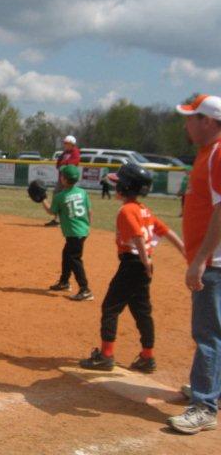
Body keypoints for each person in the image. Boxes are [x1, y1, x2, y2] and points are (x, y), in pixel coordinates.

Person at [79, 164, 185, 373]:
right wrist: (183, 249)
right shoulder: (144, 209)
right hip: (143, 267)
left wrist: (144, 262)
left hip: (133, 265)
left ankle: (106, 356)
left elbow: (137, 237)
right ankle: (147, 357)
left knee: (110, 308)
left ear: (125, 187)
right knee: (142, 311)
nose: (115, 186)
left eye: (118, 183)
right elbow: (166, 231)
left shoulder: (127, 210)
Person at [168, 94, 221, 434]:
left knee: (207, 333)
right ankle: (210, 386)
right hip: (213, 258)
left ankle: (204, 403)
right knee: (214, 330)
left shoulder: (217, 153)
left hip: (215, 261)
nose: (186, 123)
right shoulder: (207, 153)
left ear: (209, 122)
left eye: (192, 117)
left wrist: (201, 259)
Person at [41, 165, 93, 301]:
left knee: (74, 259)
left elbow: (51, 212)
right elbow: (89, 211)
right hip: (82, 231)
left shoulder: (61, 196)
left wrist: (42, 199)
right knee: (67, 254)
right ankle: (64, 282)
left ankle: (85, 289)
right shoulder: (82, 192)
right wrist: (88, 226)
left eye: (62, 176)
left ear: (64, 179)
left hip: (74, 233)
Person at [46, 135, 81, 227]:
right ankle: (55, 219)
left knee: (67, 198)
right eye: (64, 143)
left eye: (66, 143)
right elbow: (59, 163)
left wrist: (63, 165)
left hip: (69, 179)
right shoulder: (65, 153)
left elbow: (72, 164)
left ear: (72, 144)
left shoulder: (75, 152)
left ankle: (69, 220)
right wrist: (61, 165)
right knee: (57, 196)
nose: (64, 145)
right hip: (61, 179)